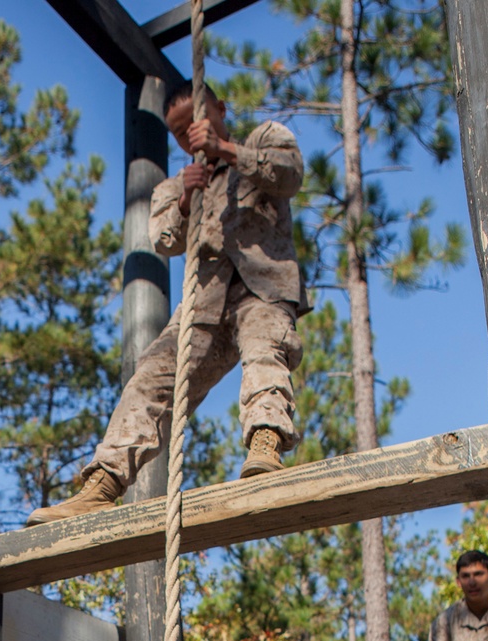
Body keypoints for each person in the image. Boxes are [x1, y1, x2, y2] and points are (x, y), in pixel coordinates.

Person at [24, 82, 309, 529]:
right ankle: (103, 484)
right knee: (151, 378)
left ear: (219, 108)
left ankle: (265, 442)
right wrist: (185, 199)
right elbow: (163, 239)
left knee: (264, 351)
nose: (187, 136)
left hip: (262, 287)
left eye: (193, 124)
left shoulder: (263, 139)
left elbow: (289, 173)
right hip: (203, 305)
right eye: (178, 133)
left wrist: (227, 151)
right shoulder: (177, 184)